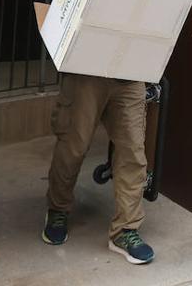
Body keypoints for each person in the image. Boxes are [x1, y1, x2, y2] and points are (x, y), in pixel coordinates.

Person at [42, 74, 155, 265]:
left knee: (132, 153)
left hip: (131, 74)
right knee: (73, 148)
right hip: (86, 74)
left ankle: (125, 229)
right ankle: (58, 208)